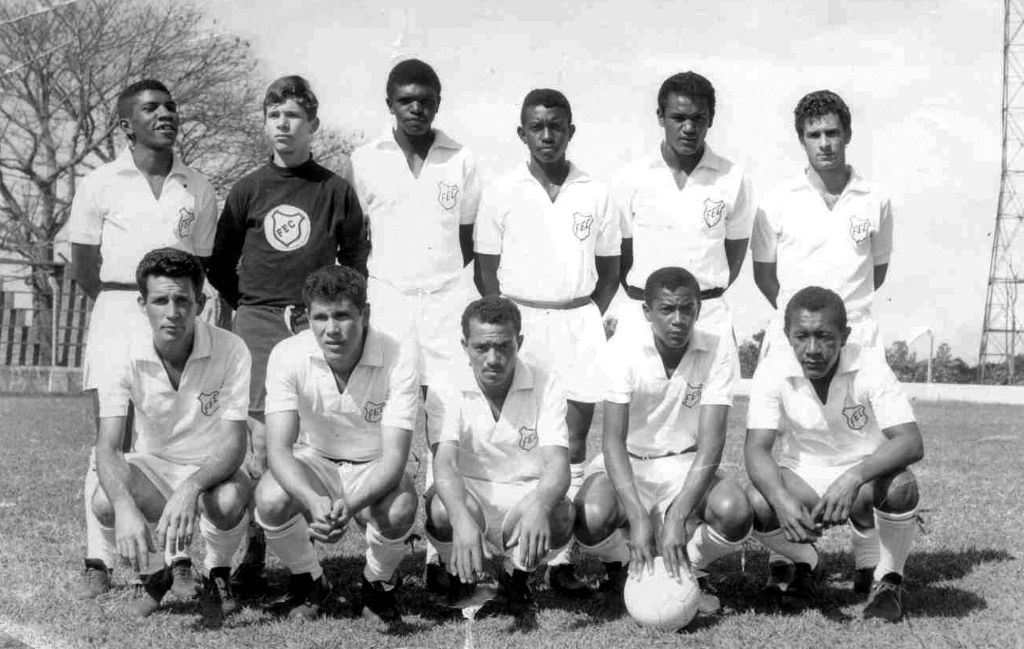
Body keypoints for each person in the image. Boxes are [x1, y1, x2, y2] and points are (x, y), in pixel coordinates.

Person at [207, 75, 369, 591]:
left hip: (312, 322)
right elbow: (220, 263)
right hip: (256, 319)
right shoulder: (247, 188)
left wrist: (319, 310)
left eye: (293, 115)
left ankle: (301, 532)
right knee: (259, 435)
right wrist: (252, 306)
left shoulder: (334, 190)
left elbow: (355, 261)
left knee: (306, 428)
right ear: (264, 123)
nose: (283, 124)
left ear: (313, 125)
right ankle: (253, 550)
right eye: (274, 115)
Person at [69, 79, 219, 600]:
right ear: (125, 124)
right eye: (151, 108)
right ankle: (99, 560)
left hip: (173, 315)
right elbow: (84, 267)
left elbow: (198, 266)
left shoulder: (198, 186)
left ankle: (175, 563)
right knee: (111, 438)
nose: (166, 115)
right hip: (118, 309)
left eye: (171, 106)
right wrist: (124, 304)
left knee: (166, 439)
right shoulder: (100, 182)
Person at [474, 88, 620, 597]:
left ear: (571, 131)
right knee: (527, 437)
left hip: (577, 319)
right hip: (522, 323)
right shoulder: (501, 189)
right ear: (522, 133)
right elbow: (486, 272)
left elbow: (610, 271)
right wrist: (516, 327)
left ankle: (559, 561)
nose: (547, 135)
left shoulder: (595, 192)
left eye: (556, 126)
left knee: (573, 441)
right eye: (537, 127)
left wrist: (580, 316)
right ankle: (518, 560)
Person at [344, 58, 482, 592]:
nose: (417, 109)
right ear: (390, 105)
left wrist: (439, 278)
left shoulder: (462, 158)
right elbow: (356, 238)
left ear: (438, 102)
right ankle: (388, 546)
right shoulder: (364, 158)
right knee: (393, 409)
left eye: (426, 100)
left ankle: (440, 552)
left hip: (447, 297)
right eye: (406, 100)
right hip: (389, 297)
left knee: (444, 412)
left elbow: (467, 238)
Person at [84, 248, 252, 622]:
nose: (172, 312)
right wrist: (126, 506)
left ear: (201, 301)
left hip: (212, 469)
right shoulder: (119, 350)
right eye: (161, 300)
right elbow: (108, 445)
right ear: (143, 303)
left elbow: (234, 443)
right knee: (105, 502)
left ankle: (216, 573)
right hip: (155, 467)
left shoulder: (232, 348)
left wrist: (191, 488)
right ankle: (159, 573)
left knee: (225, 503)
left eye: (182, 300)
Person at [574, 267, 750, 613]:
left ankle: (689, 567)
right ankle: (629, 566)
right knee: (591, 516)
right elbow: (612, 441)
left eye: (688, 309)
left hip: (685, 462)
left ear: (699, 309)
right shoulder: (622, 349)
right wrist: (639, 518)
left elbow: (713, 444)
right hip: (631, 463)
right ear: (647, 312)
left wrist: (677, 516)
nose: (678, 320)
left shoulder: (719, 349)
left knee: (735, 511)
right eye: (667, 310)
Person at [745, 286, 924, 622]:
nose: (812, 349)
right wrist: (782, 500)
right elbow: (756, 448)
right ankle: (807, 562)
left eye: (825, 337)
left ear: (845, 335)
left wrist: (853, 478)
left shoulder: (871, 365)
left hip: (863, 479)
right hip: (802, 476)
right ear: (787, 335)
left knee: (901, 486)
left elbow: (911, 442)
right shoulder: (771, 369)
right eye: (801, 336)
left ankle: (888, 580)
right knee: (755, 500)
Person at [253, 265, 419, 623]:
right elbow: (279, 449)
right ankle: (312, 579)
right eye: (321, 317)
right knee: (270, 498)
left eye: (343, 315)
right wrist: (313, 501)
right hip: (316, 461)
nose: (331, 329)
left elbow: (394, 458)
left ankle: (377, 583)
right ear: (307, 317)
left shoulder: (399, 355)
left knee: (401, 506)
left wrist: (348, 504)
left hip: (374, 462)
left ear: (365, 314)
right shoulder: (286, 353)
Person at [425, 296, 574, 619]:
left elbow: (559, 464)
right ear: (465, 345)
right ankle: (460, 577)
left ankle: (515, 576)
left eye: (504, 346)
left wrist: (540, 508)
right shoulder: (444, 381)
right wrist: (462, 521)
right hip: (471, 493)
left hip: (522, 494)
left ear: (519, 342)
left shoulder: (546, 380)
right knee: (441, 509)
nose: (493, 358)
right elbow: (445, 463)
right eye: (481, 348)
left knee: (560, 513)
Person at [613, 71, 754, 343]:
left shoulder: (734, 179)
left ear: (711, 118)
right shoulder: (630, 177)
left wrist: (699, 298)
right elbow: (622, 254)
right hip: (643, 316)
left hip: (708, 316)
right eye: (678, 118)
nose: (688, 128)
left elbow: (734, 257)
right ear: (660, 117)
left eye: (698, 118)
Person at [751, 90, 893, 360]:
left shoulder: (876, 200)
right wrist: (801, 319)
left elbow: (877, 273)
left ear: (848, 135)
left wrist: (838, 317)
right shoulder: (776, 201)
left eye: (832, 133)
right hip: (792, 338)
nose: (824, 144)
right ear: (802, 141)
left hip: (856, 337)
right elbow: (763, 275)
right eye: (814, 135)